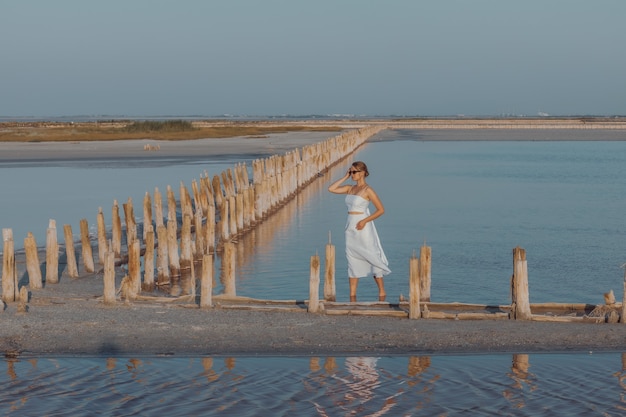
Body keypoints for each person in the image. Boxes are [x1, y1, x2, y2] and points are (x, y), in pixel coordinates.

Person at [328, 161, 391, 302]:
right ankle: (352, 297)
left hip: (363, 226)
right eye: (351, 172)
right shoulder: (350, 188)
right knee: (352, 258)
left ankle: (381, 292)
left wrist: (364, 221)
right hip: (350, 226)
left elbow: (381, 210)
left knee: (371, 254)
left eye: (354, 172)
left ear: (362, 173)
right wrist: (345, 176)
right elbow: (331, 189)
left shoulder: (368, 190)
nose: (352, 174)